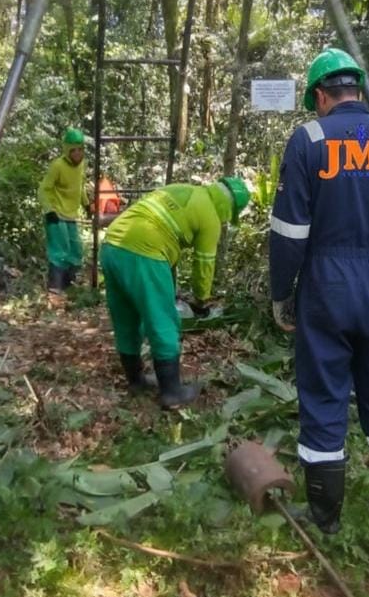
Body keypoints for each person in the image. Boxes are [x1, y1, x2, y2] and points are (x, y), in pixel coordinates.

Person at [269, 48, 369, 532]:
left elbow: (290, 232)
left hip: (327, 283)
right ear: (356, 89)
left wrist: (281, 293)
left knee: (323, 393)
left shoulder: (309, 140)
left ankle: (325, 516)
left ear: (320, 95)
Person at [101, 177, 251, 409]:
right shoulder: (210, 216)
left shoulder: (184, 190)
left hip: (112, 244)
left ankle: (136, 381)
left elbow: (163, 227)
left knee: (126, 317)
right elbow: (204, 264)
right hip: (145, 252)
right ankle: (172, 393)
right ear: (228, 208)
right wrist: (201, 301)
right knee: (163, 320)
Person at [39, 127, 89, 295]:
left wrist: (87, 204)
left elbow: (79, 186)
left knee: (75, 249)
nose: (77, 154)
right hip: (56, 214)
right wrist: (49, 210)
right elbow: (44, 189)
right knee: (60, 250)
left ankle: (69, 287)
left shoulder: (82, 164)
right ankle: (55, 288)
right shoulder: (58, 166)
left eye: (80, 149)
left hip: (71, 214)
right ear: (67, 151)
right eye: (73, 150)